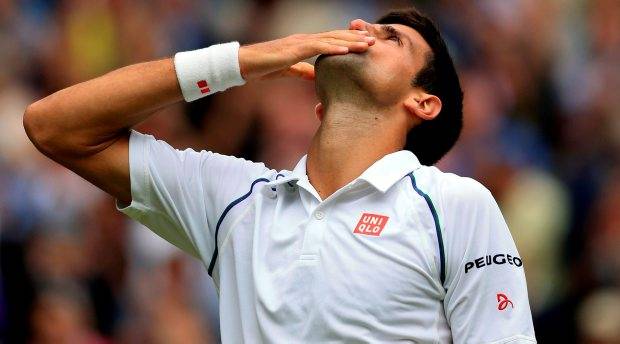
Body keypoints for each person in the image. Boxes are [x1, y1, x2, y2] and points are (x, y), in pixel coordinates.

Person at [23, 6, 536, 343]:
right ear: (318, 109)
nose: (359, 29)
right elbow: (53, 127)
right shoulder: (235, 200)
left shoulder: (453, 204)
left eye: (389, 38)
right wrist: (243, 61)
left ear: (422, 103)